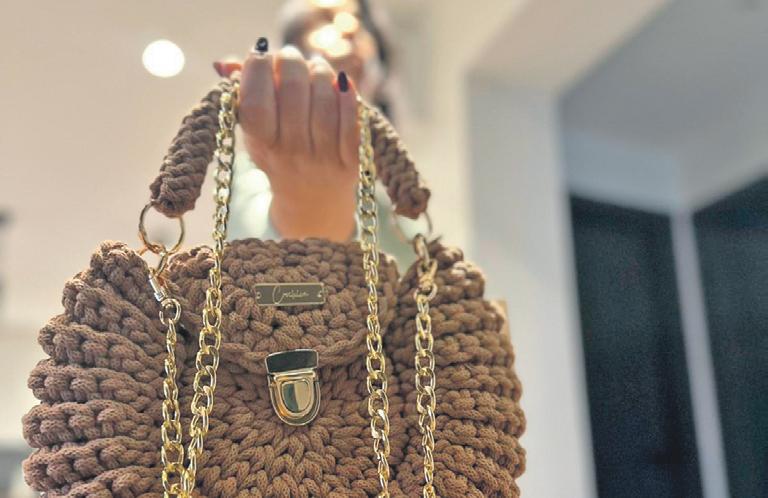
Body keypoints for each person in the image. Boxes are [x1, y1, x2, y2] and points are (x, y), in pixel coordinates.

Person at [213, 0, 422, 266]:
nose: (350, 26)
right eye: (325, 18)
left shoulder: (393, 189)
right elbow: (258, 255)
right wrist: (305, 196)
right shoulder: (250, 175)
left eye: (358, 20)